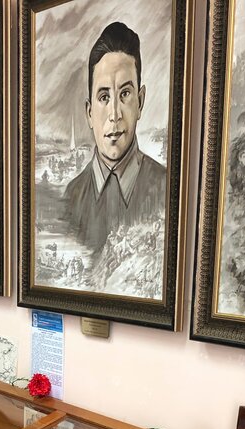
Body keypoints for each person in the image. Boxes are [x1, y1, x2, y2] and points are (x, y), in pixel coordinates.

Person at [64, 21, 167, 254]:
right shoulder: (69, 199)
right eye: (104, 97)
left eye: (125, 94)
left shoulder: (168, 190)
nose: (114, 114)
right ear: (89, 113)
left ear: (140, 101)